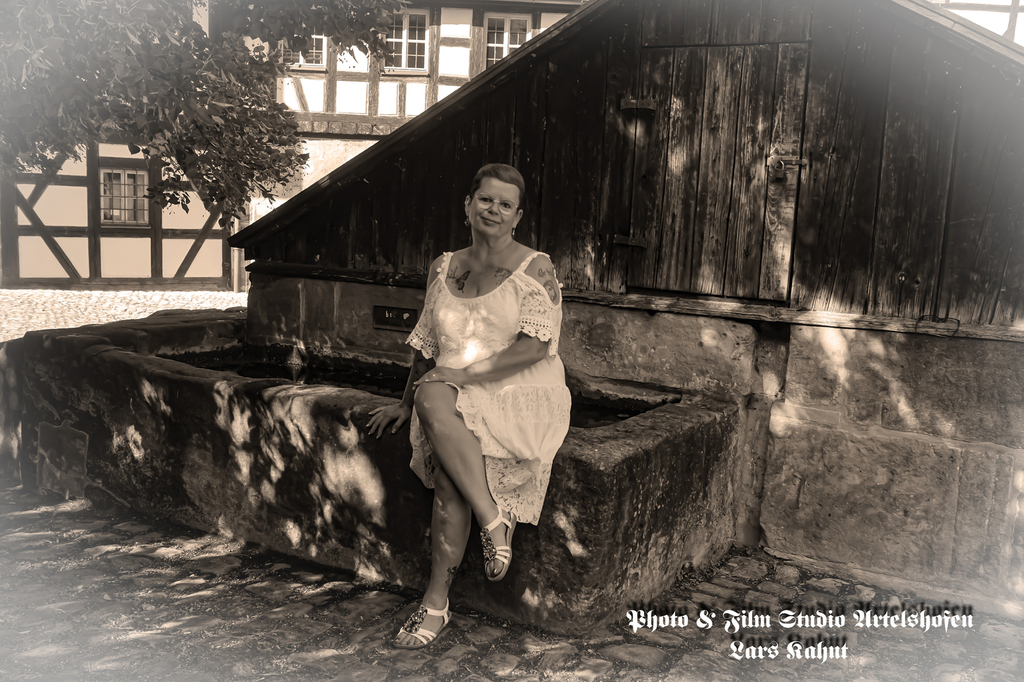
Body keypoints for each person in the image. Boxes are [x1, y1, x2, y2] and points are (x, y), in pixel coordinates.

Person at [365, 163, 571, 649]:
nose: (493, 210)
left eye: (505, 204)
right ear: (468, 205)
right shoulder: (443, 266)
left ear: (517, 216)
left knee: (444, 445)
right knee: (434, 409)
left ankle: (436, 603)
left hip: (518, 390)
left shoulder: (535, 266)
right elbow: (426, 345)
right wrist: (404, 403)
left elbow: (535, 348)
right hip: (452, 391)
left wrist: (459, 376)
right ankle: (492, 521)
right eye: (486, 199)